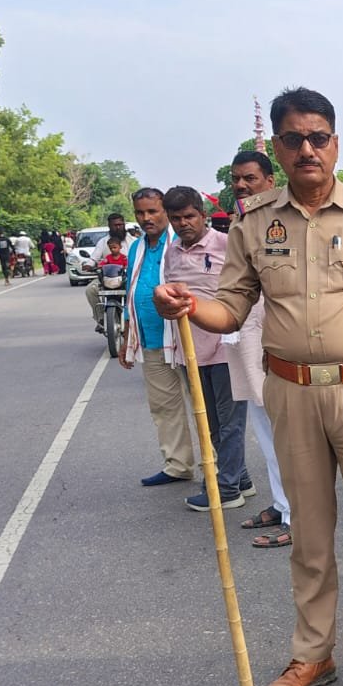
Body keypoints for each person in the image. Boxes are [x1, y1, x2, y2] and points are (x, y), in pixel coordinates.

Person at [154, 86, 343, 686]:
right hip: (291, 394)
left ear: (335, 143)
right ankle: (314, 653)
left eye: (318, 137)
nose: (307, 148)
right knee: (308, 533)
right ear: (277, 148)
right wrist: (186, 304)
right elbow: (229, 309)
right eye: (293, 139)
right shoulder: (255, 223)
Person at [161, 187, 250, 511]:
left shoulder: (226, 245)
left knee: (230, 422)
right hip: (191, 351)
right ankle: (240, 479)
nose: (183, 223)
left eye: (189, 216)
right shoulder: (172, 252)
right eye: (176, 219)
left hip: (227, 347)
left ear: (202, 215)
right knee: (210, 422)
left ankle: (226, 489)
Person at [227, 150, 294, 549]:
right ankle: (280, 504)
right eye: (236, 178)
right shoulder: (242, 223)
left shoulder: (282, 221)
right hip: (245, 341)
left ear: (270, 181)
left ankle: (295, 515)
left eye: (249, 178)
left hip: (277, 345)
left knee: (286, 436)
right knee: (265, 432)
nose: (241, 185)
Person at [120, 188, 196, 488]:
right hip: (150, 339)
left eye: (152, 211)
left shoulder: (181, 244)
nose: (146, 218)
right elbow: (130, 290)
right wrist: (127, 335)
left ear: (165, 210)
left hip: (186, 338)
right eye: (140, 213)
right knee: (164, 407)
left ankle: (219, 470)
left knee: (204, 406)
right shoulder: (136, 247)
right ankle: (178, 464)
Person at [87, 212, 133, 332]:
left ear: (124, 224)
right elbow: (94, 258)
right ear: (109, 226)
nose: (118, 227)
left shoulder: (133, 241)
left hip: (128, 277)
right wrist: (88, 265)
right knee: (90, 290)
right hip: (107, 278)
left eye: (120, 224)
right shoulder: (103, 242)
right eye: (115, 225)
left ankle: (136, 318)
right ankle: (101, 319)